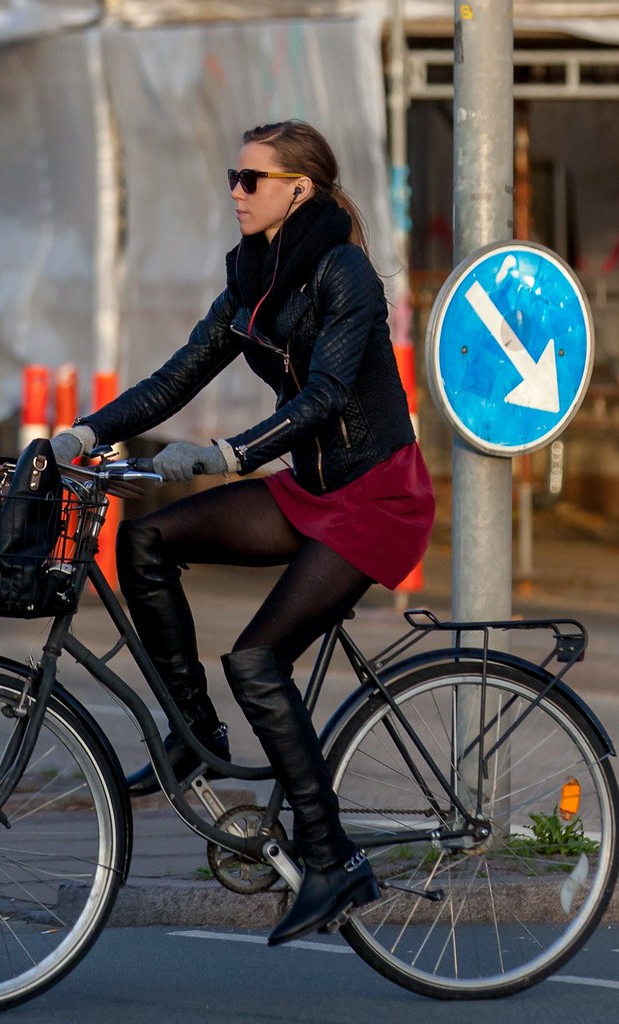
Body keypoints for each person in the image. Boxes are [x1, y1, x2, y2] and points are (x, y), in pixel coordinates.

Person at [49, 120, 435, 945]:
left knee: (257, 659)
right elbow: (178, 375)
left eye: (251, 179)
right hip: (310, 490)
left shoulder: (345, 272)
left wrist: (228, 456)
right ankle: (197, 735)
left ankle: (331, 861)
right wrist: (83, 435)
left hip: (373, 497)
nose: (235, 190)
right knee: (145, 542)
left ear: (299, 189)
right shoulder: (253, 280)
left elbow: (327, 396)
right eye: (234, 175)